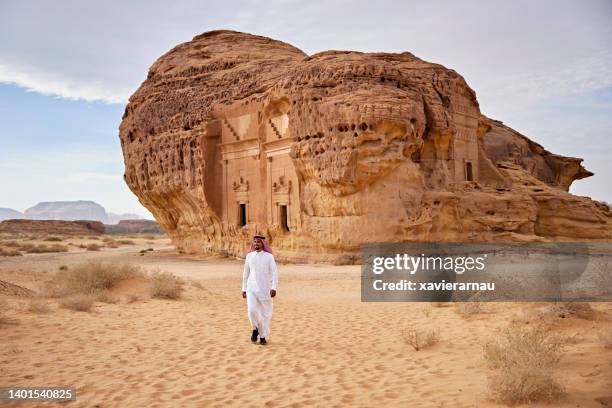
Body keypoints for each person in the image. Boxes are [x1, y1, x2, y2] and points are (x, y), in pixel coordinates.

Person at [242, 234, 278, 345]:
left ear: (263, 243)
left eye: (258, 242)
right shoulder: (249, 256)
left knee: (265, 314)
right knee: (251, 310)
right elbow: (246, 273)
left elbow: (274, 273)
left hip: (264, 289)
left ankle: (263, 336)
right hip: (251, 288)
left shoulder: (269, 257)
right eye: (254, 242)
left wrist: (273, 287)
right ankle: (255, 328)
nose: (256, 244)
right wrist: (244, 288)